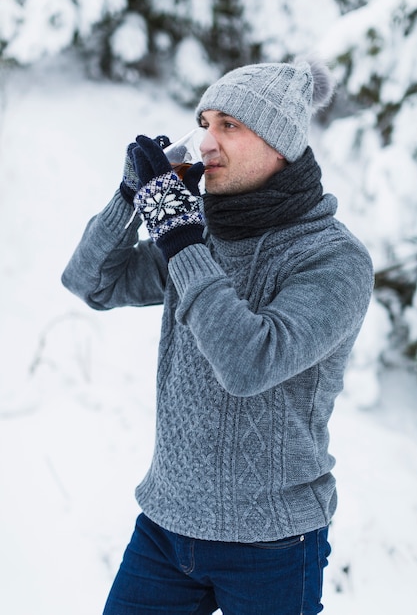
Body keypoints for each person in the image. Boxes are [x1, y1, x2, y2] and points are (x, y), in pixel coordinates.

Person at [61, 56, 374, 614]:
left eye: (229, 125)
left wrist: (181, 241)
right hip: (165, 527)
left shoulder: (334, 258)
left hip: (274, 545)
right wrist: (130, 200)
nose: (207, 141)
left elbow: (249, 362)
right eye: (204, 123)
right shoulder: (202, 235)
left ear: (280, 144)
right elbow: (91, 283)